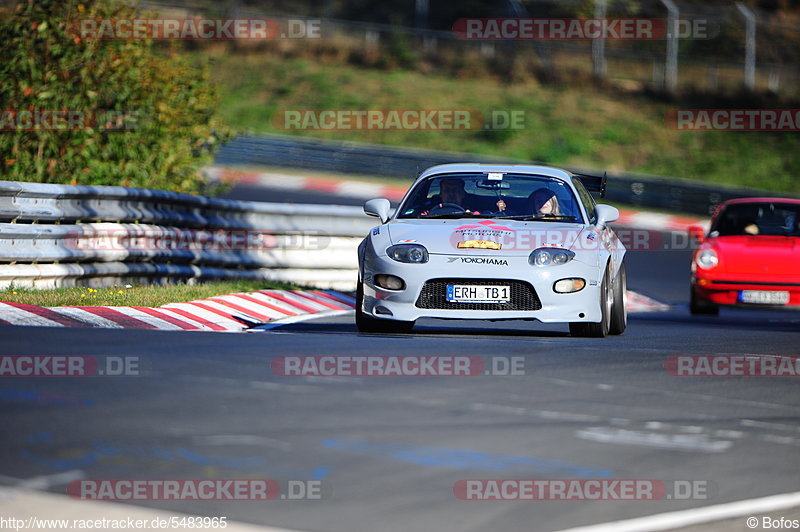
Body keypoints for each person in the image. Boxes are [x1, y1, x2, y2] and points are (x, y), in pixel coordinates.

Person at [421, 178, 505, 216]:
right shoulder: (428, 212)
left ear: (463, 194)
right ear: (440, 195)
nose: (451, 194)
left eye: (455, 190)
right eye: (447, 191)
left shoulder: (477, 212)